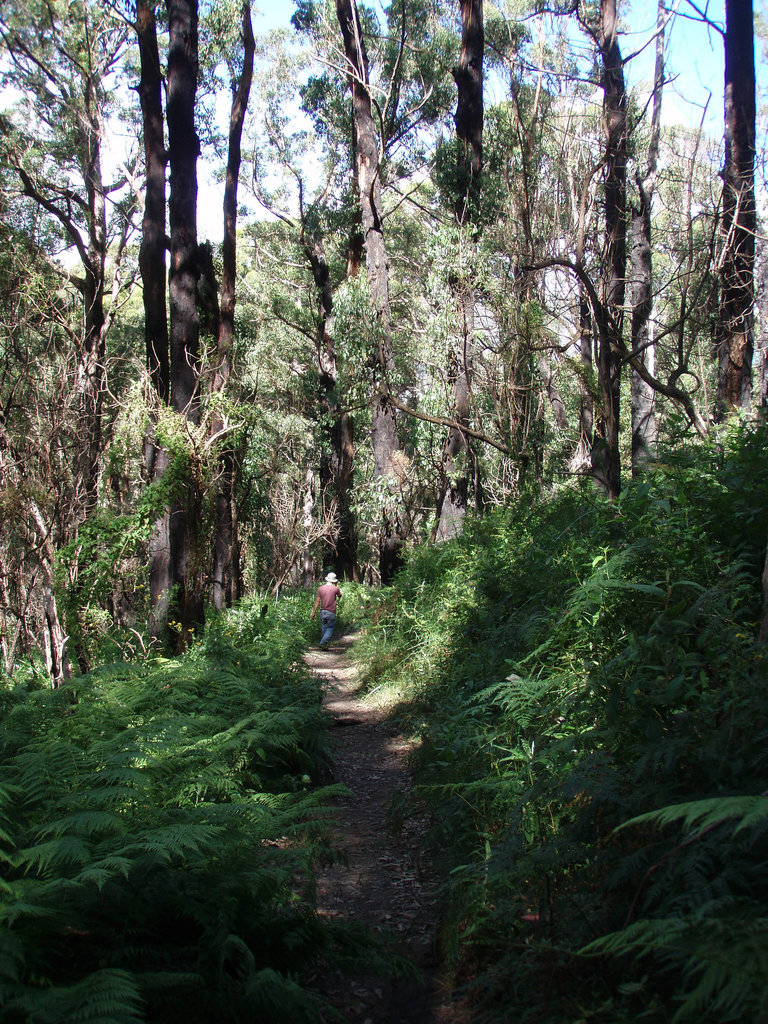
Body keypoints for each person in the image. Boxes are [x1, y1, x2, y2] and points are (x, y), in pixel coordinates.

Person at [311, 572, 342, 649]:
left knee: (324, 629)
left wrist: (314, 612)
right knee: (329, 630)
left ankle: (324, 646)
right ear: (334, 581)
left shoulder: (320, 588)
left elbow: (317, 601)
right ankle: (322, 643)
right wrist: (337, 585)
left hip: (322, 612)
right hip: (331, 612)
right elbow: (340, 596)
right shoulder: (335, 588)